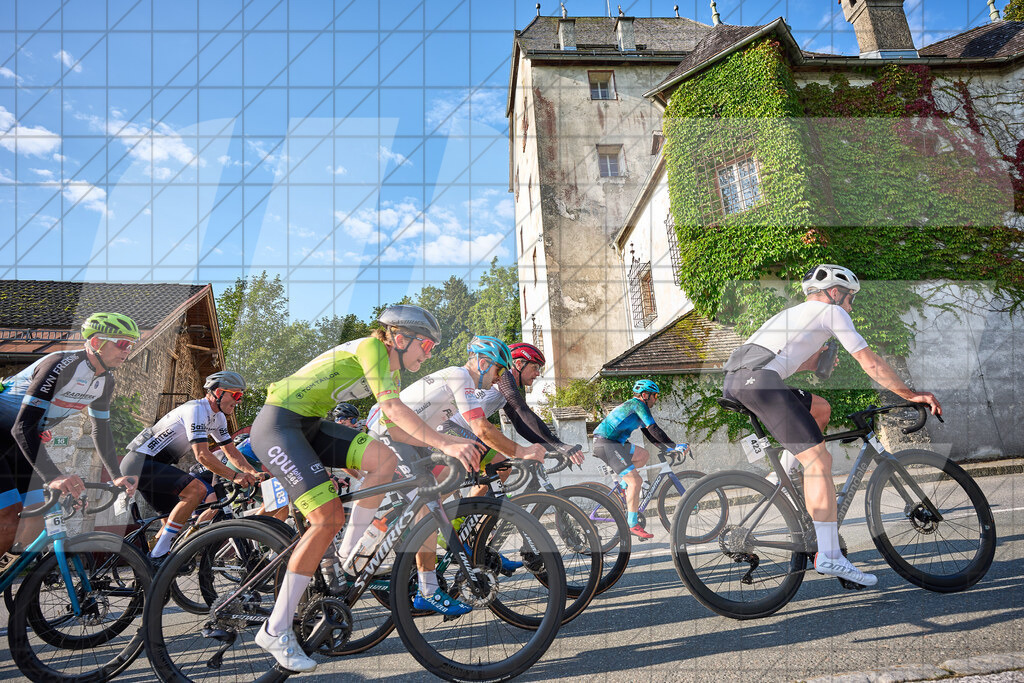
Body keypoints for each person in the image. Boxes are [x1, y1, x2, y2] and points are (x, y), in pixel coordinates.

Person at [248, 305, 481, 673]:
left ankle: (348, 553)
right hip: (279, 424)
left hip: (309, 424)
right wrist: (447, 443)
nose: (430, 353)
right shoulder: (373, 349)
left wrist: (438, 446)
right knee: (327, 518)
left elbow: (395, 425)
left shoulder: (388, 367)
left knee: (384, 460)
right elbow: (391, 407)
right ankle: (275, 630)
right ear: (400, 338)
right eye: (427, 344)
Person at [722, 264, 942, 587]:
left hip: (746, 379)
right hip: (760, 381)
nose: (851, 306)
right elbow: (870, 363)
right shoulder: (833, 314)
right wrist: (912, 394)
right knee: (819, 460)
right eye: (850, 299)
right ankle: (829, 555)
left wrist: (817, 360)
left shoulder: (797, 314)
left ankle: (784, 477)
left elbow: (787, 359)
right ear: (834, 293)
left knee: (821, 409)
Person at [365, 335, 547, 615]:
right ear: (484, 363)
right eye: (499, 371)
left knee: (441, 490)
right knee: (427, 506)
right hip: (388, 434)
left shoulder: (468, 383)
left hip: (410, 439)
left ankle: (424, 539)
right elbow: (481, 429)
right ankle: (427, 588)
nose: (499, 379)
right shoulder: (461, 376)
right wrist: (521, 452)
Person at [0, 312, 141, 561]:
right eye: (121, 343)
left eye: (131, 345)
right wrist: (54, 477)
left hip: (17, 443)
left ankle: (13, 576)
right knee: (9, 516)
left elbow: (101, 429)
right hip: (9, 432)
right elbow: (22, 426)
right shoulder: (60, 364)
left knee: (36, 514)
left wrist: (117, 476)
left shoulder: (105, 380)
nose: (127, 350)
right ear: (96, 342)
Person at [121, 371, 260, 567]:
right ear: (219, 392)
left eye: (241, 396)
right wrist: (235, 476)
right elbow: (202, 455)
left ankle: (148, 567)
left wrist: (253, 473)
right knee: (197, 490)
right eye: (236, 395)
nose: (238, 401)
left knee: (174, 519)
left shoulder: (218, 418)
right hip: (139, 463)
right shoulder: (195, 409)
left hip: (157, 466)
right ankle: (158, 557)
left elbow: (231, 451)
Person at [440, 341, 585, 493]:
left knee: (500, 469)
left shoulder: (504, 392)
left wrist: (552, 447)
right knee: (500, 465)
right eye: (535, 367)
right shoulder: (503, 376)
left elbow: (522, 424)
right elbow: (523, 410)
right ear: (519, 364)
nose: (538, 373)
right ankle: (463, 514)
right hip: (450, 428)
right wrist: (559, 445)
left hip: (462, 431)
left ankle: (475, 512)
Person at [592, 379, 688, 540]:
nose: (656, 399)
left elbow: (650, 435)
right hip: (607, 444)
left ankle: (623, 487)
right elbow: (654, 428)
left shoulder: (636, 408)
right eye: (655, 395)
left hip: (616, 443)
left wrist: (668, 449)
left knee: (643, 455)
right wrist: (675, 445)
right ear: (645, 395)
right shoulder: (638, 405)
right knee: (635, 482)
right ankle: (632, 524)